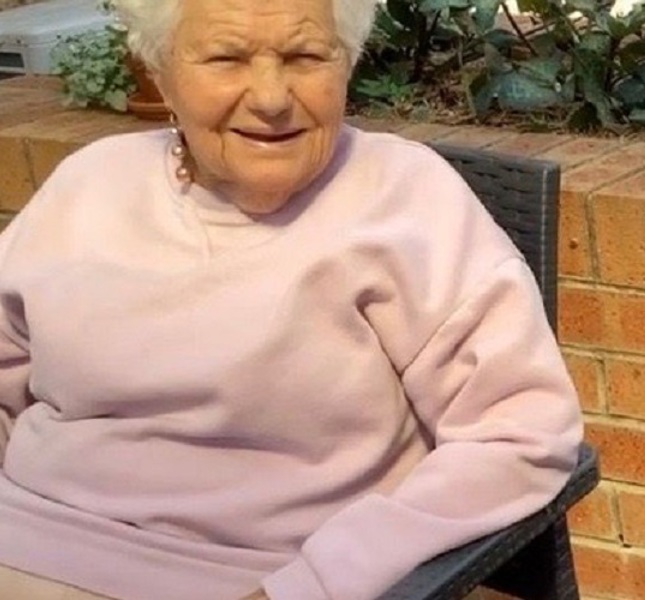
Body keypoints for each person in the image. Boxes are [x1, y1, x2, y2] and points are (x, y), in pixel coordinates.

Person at [0, 0, 586, 598]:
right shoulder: (91, 183)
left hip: (251, 577)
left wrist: (317, 582)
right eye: (227, 58)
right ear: (163, 72)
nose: (272, 97)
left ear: (346, 65)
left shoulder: (407, 199)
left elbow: (519, 436)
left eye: (305, 56)